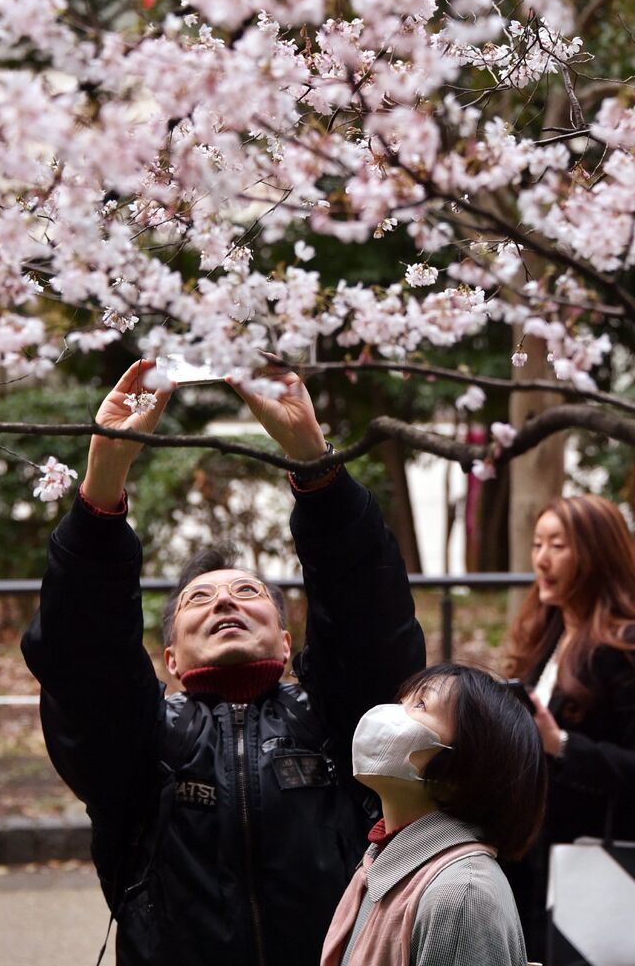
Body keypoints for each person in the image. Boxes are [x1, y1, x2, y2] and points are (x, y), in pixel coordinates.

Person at [21, 358, 426, 966]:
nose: (225, 602)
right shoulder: (144, 746)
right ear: (171, 658)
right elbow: (83, 661)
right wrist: (103, 482)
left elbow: (371, 617)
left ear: (287, 643)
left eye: (248, 592)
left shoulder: (340, 730)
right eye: (198, 598)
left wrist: (313, 460)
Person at [321, 663, 546, 966]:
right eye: (403, 701)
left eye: (421, 704)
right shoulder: (380, 864)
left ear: (460, 773)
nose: (389, 713)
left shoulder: (460, 896)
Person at [504, 493, 635, 959]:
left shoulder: (623, 648)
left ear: (596, 554)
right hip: (536, 859)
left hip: (596, 864)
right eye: (538, 544)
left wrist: (560, 744)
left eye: (558, 545)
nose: (541, 558)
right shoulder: (549, 636)